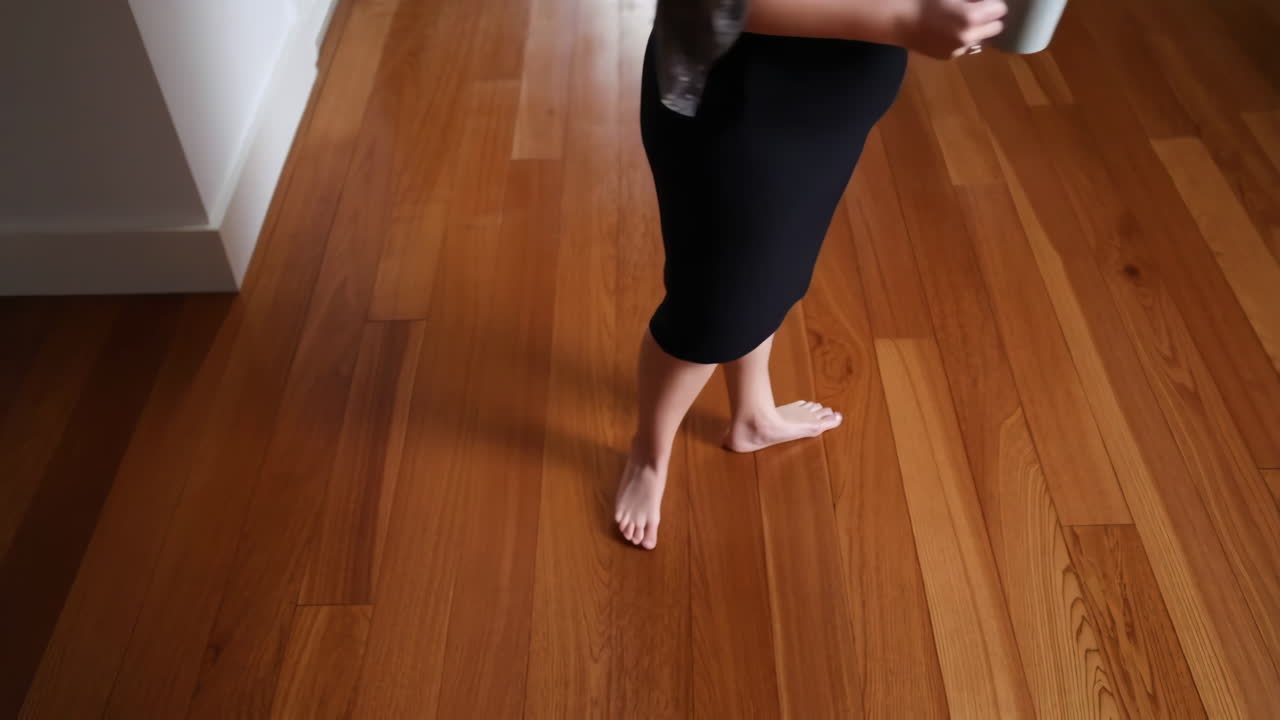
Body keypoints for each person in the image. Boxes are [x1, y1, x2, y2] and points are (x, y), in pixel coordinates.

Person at [615, 0, 1010, 549]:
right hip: (741, 106)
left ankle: (751, 414)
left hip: (828, 107)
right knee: (708, 313)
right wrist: (906, 20)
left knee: (771, 274)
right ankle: (649, 455)